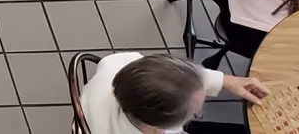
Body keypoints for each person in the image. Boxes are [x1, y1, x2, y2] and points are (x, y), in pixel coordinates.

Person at [79, 52, 267, 134]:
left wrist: (226, 81)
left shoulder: (114, 67)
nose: (199, 112)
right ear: (163, 126)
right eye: (195, 114)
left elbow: (171, 76)